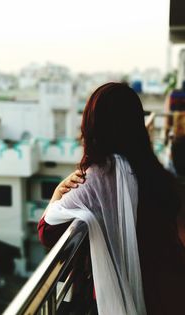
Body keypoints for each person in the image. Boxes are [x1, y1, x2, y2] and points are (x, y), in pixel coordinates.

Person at [38, 83, 185, 315]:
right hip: (170, 293)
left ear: (93, 126)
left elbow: (47, 232)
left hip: (124, 301)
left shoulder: (96, 177)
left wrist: (58, 192)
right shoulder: (154, 171)